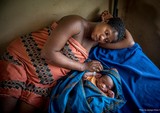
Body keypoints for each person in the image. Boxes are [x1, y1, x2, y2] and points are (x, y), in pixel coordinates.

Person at [0, 10, 135, 113]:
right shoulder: (76, 23)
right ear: (104, 20)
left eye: (107, 40)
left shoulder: (95, 42)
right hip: (22, 60)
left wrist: (116, 25)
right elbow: (48, 52)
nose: (102, 38)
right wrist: (83, 66)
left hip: (42, 83)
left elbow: (130, 42)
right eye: (106, 32)